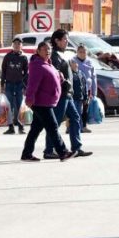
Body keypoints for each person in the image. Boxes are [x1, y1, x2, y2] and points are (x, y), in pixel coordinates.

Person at [20, 41, 72, 162]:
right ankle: (62, 152)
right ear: (38, 51)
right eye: (44, 49)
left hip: (47, 101)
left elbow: (52, 77)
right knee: (52, 126)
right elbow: (32, 84)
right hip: (40, 102)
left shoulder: (47, 63)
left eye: (49, 49)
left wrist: (59, 76)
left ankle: (26, 154)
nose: (47, 51)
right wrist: (29, 99)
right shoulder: (37, 65)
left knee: (36, 128)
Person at [44, 30, 90, 158]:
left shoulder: (62, 54)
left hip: (68, 94)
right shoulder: (54, 56)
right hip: (60, 95)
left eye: (67, 39)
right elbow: (55, 75)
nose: (67, 42)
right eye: (64, 39)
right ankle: (49, 150)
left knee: (75, 118)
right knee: (55, 122)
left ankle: (77, 148)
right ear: (57, 41)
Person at [0, 38, 29, 135]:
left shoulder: (24, 58)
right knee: (9, 106)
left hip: (19, 85)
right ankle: (10, 127)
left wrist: (25, 86)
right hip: (9, 84)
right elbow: (3, 71)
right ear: (12, 45)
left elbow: (26, 72)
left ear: (21, 45)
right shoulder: (8, 57)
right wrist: (2, 84)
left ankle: (21, 127)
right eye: (15, 44)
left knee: (20, 106)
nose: (17, 45)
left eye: (19, 44)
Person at [69, 58, 93, 150]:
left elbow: (84, 86)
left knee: (78, 116)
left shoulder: (80, 73)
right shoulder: (70, 74)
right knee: (74, 116)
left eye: (76, 63)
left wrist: (86, 96)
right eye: (73, 63)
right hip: (72, 98)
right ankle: (72, 129)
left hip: (80, 99)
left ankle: (78, 129)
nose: (75, 65)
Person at [75, 44, 97, 131]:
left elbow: (93, 77)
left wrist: (94, 92)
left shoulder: (89, 62)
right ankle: (71, 126)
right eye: (80, 52)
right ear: (77, 52)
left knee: (85, 108)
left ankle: (84, 126)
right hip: (77, 89)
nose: (82, 53)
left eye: (84, 52)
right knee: (75, 109)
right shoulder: (73, 61)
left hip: (87, 89)